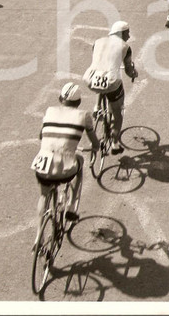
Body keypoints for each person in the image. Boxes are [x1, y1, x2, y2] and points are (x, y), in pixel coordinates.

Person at [31, 83, 99, 236]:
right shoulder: (84, 115)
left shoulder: (49, 111)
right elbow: (95, 142)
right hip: (65, 169)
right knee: (80, 162)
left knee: (43, 195)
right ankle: (72, 208)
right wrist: (95, 147)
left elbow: (41, 136)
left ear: (60, 98)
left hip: (43, 165)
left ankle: (38, 238)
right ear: (79, 102)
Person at [82, 21, 138, 154]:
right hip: (111, 83)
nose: (128, 36)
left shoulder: (97, 42)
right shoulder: (125, 47)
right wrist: (134, 73)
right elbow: (128, 70)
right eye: (127, 33)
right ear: (121, 33)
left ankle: (97, 107)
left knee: (101, 80)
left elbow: (100, 62)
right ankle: (115, 143)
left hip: (90, 78)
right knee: (117, 113)